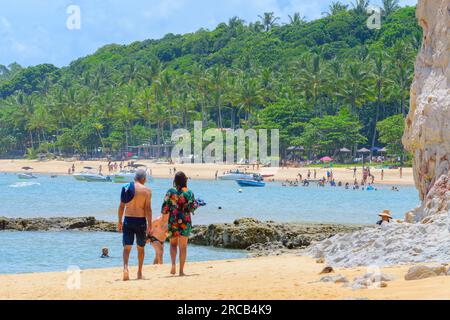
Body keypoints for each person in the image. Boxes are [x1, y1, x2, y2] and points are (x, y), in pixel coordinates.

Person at [118, 169, 152, 281]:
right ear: (144, 179)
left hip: (128, 219)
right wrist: (150, 225)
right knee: (140, 248)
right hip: (140, 221)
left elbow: (121, 206)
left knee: (127, 247)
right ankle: (139, 273)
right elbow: (148, 209)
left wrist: (119, 221)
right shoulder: (147, 190)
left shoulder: (126, 187)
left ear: (135, 178)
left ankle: (125, 268)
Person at [162, 172, 199, 276]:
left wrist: (163, 221)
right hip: (185, 221)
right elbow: (192, 207)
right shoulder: (189, 192)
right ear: (185, 181)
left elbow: (164, 208)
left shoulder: (170, 192)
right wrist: (197, 205)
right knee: (183, 247)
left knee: (173, 244)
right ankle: (181, 271)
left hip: (173, 220)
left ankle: (173, 264)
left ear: (175, 181)